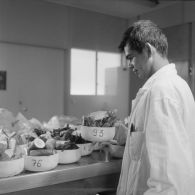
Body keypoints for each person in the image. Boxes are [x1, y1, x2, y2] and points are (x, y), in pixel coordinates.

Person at [115, 20, 195, 195]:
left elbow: (167, 183)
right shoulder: (174, 85)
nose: (129, 65)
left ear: (148, 50)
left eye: (131, 57)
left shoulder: (161, 92)